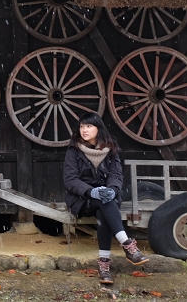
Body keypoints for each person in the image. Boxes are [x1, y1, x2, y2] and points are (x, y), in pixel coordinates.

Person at [63, 112, 148, 284]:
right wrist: (90, 191)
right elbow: (70, 180)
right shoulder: (74, 150)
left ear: (98, 128)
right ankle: (127, 245)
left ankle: (104, 268)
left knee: (105, 209)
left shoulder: (111, 149)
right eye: (81, 126)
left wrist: (112, 189)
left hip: (106, 197)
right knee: (104, 202)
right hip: (81, 199)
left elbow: (116, 174)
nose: (84, 130)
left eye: (88, 126)